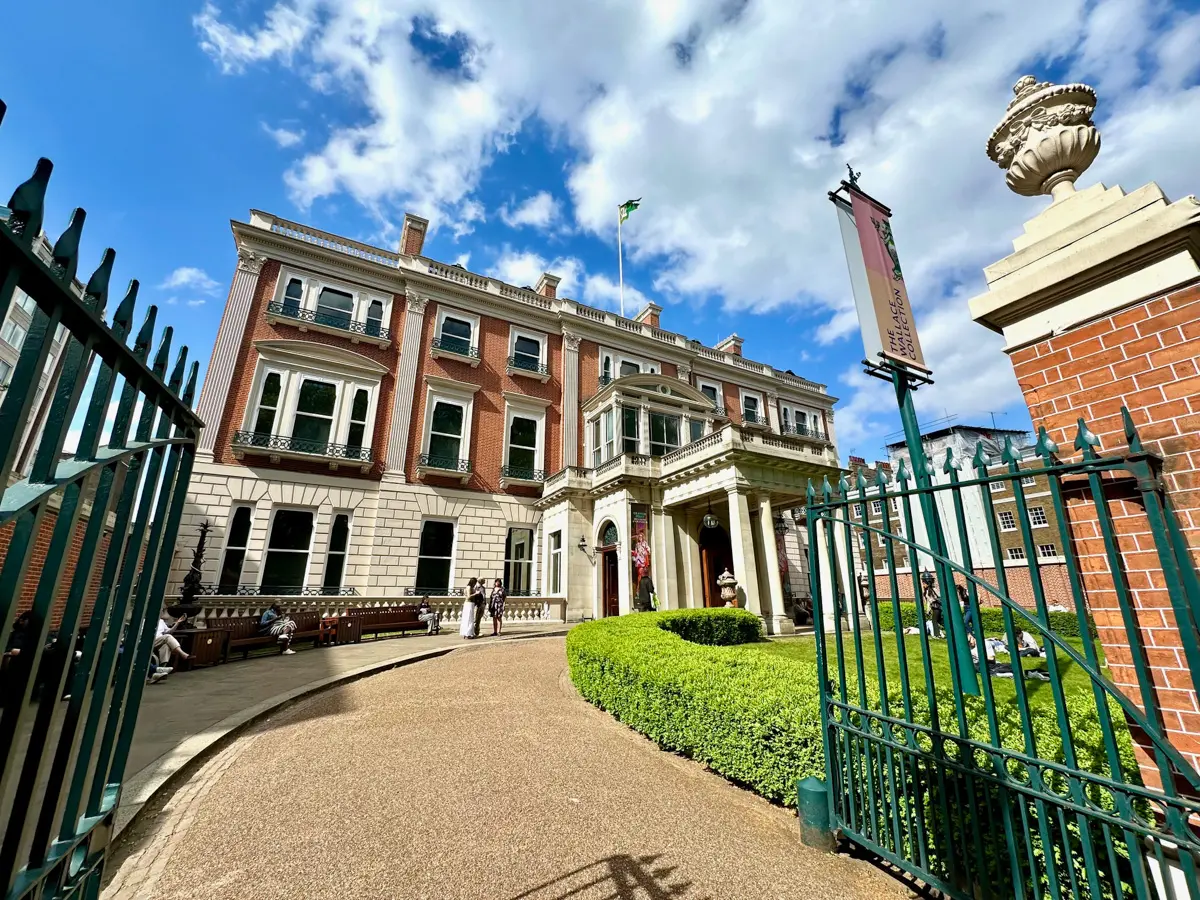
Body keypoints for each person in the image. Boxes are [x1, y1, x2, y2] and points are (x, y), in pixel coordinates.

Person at [968, 633, 1049, 681]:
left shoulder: (984, 644)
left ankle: (1034, 673)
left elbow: (991, 658)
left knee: (1009, 668)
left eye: (970, 640)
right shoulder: (966, 647)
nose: (969, 643)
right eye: (967, 642)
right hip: (985, 666)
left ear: (973, 637)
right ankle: (1032, 673)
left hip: (990, 665)